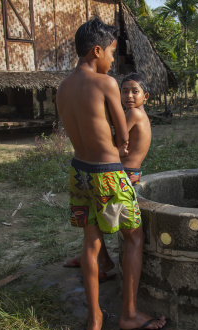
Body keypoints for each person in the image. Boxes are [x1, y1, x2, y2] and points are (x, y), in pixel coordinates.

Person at [56, 17, 167, 330]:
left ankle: (94, 320)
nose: (112, 59)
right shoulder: (104, 83)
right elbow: (122, 136)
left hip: (79, 174)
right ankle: (129, 314)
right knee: (133, 236)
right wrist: (117, 141)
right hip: (108, 176)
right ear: (96, 51)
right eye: (111, 52)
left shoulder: (63, 88)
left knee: (90, 244)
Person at [62, 73, 152, 283]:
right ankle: (98, 259)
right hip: (133, 173)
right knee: (98, 219)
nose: (129, 95)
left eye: (134, 91)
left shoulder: (133, 114)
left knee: (96, 218)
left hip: (123, 175)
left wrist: (113, 147)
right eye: (125, 91)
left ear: (145, 96)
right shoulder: (140, 114)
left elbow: (114, 143)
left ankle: (99, 261)